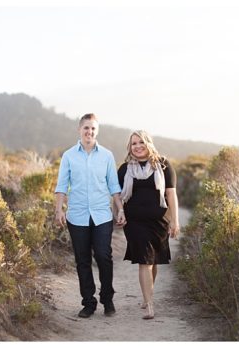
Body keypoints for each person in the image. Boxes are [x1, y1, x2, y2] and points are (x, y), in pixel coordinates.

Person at [54, 113, 127, 318]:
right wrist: (59, 209)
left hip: (102, 215)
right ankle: (89, 302)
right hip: (77, 216)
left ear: (97, 131)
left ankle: (107, 299)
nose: (89, 132)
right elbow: (62, 186)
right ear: (80, 130)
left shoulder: (106, 155)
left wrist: (120, 209)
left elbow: (114, 186)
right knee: (82, 260)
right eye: (86, 128)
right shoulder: (69, 156)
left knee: (104, 256)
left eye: (93, 128)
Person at [117, 130, 179, 320]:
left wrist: (175, 220)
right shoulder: (125, 169)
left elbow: (170, 194)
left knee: (153, 260)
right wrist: (119, 211)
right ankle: (149, 304)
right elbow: (117, 195)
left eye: (140, 142)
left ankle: (147, 296)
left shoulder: (163, 165)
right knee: (145, 260)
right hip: (134, 222)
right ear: (130, 147)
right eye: (133, 143)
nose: (137, 146)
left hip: (159, 221)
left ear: (148, 143)